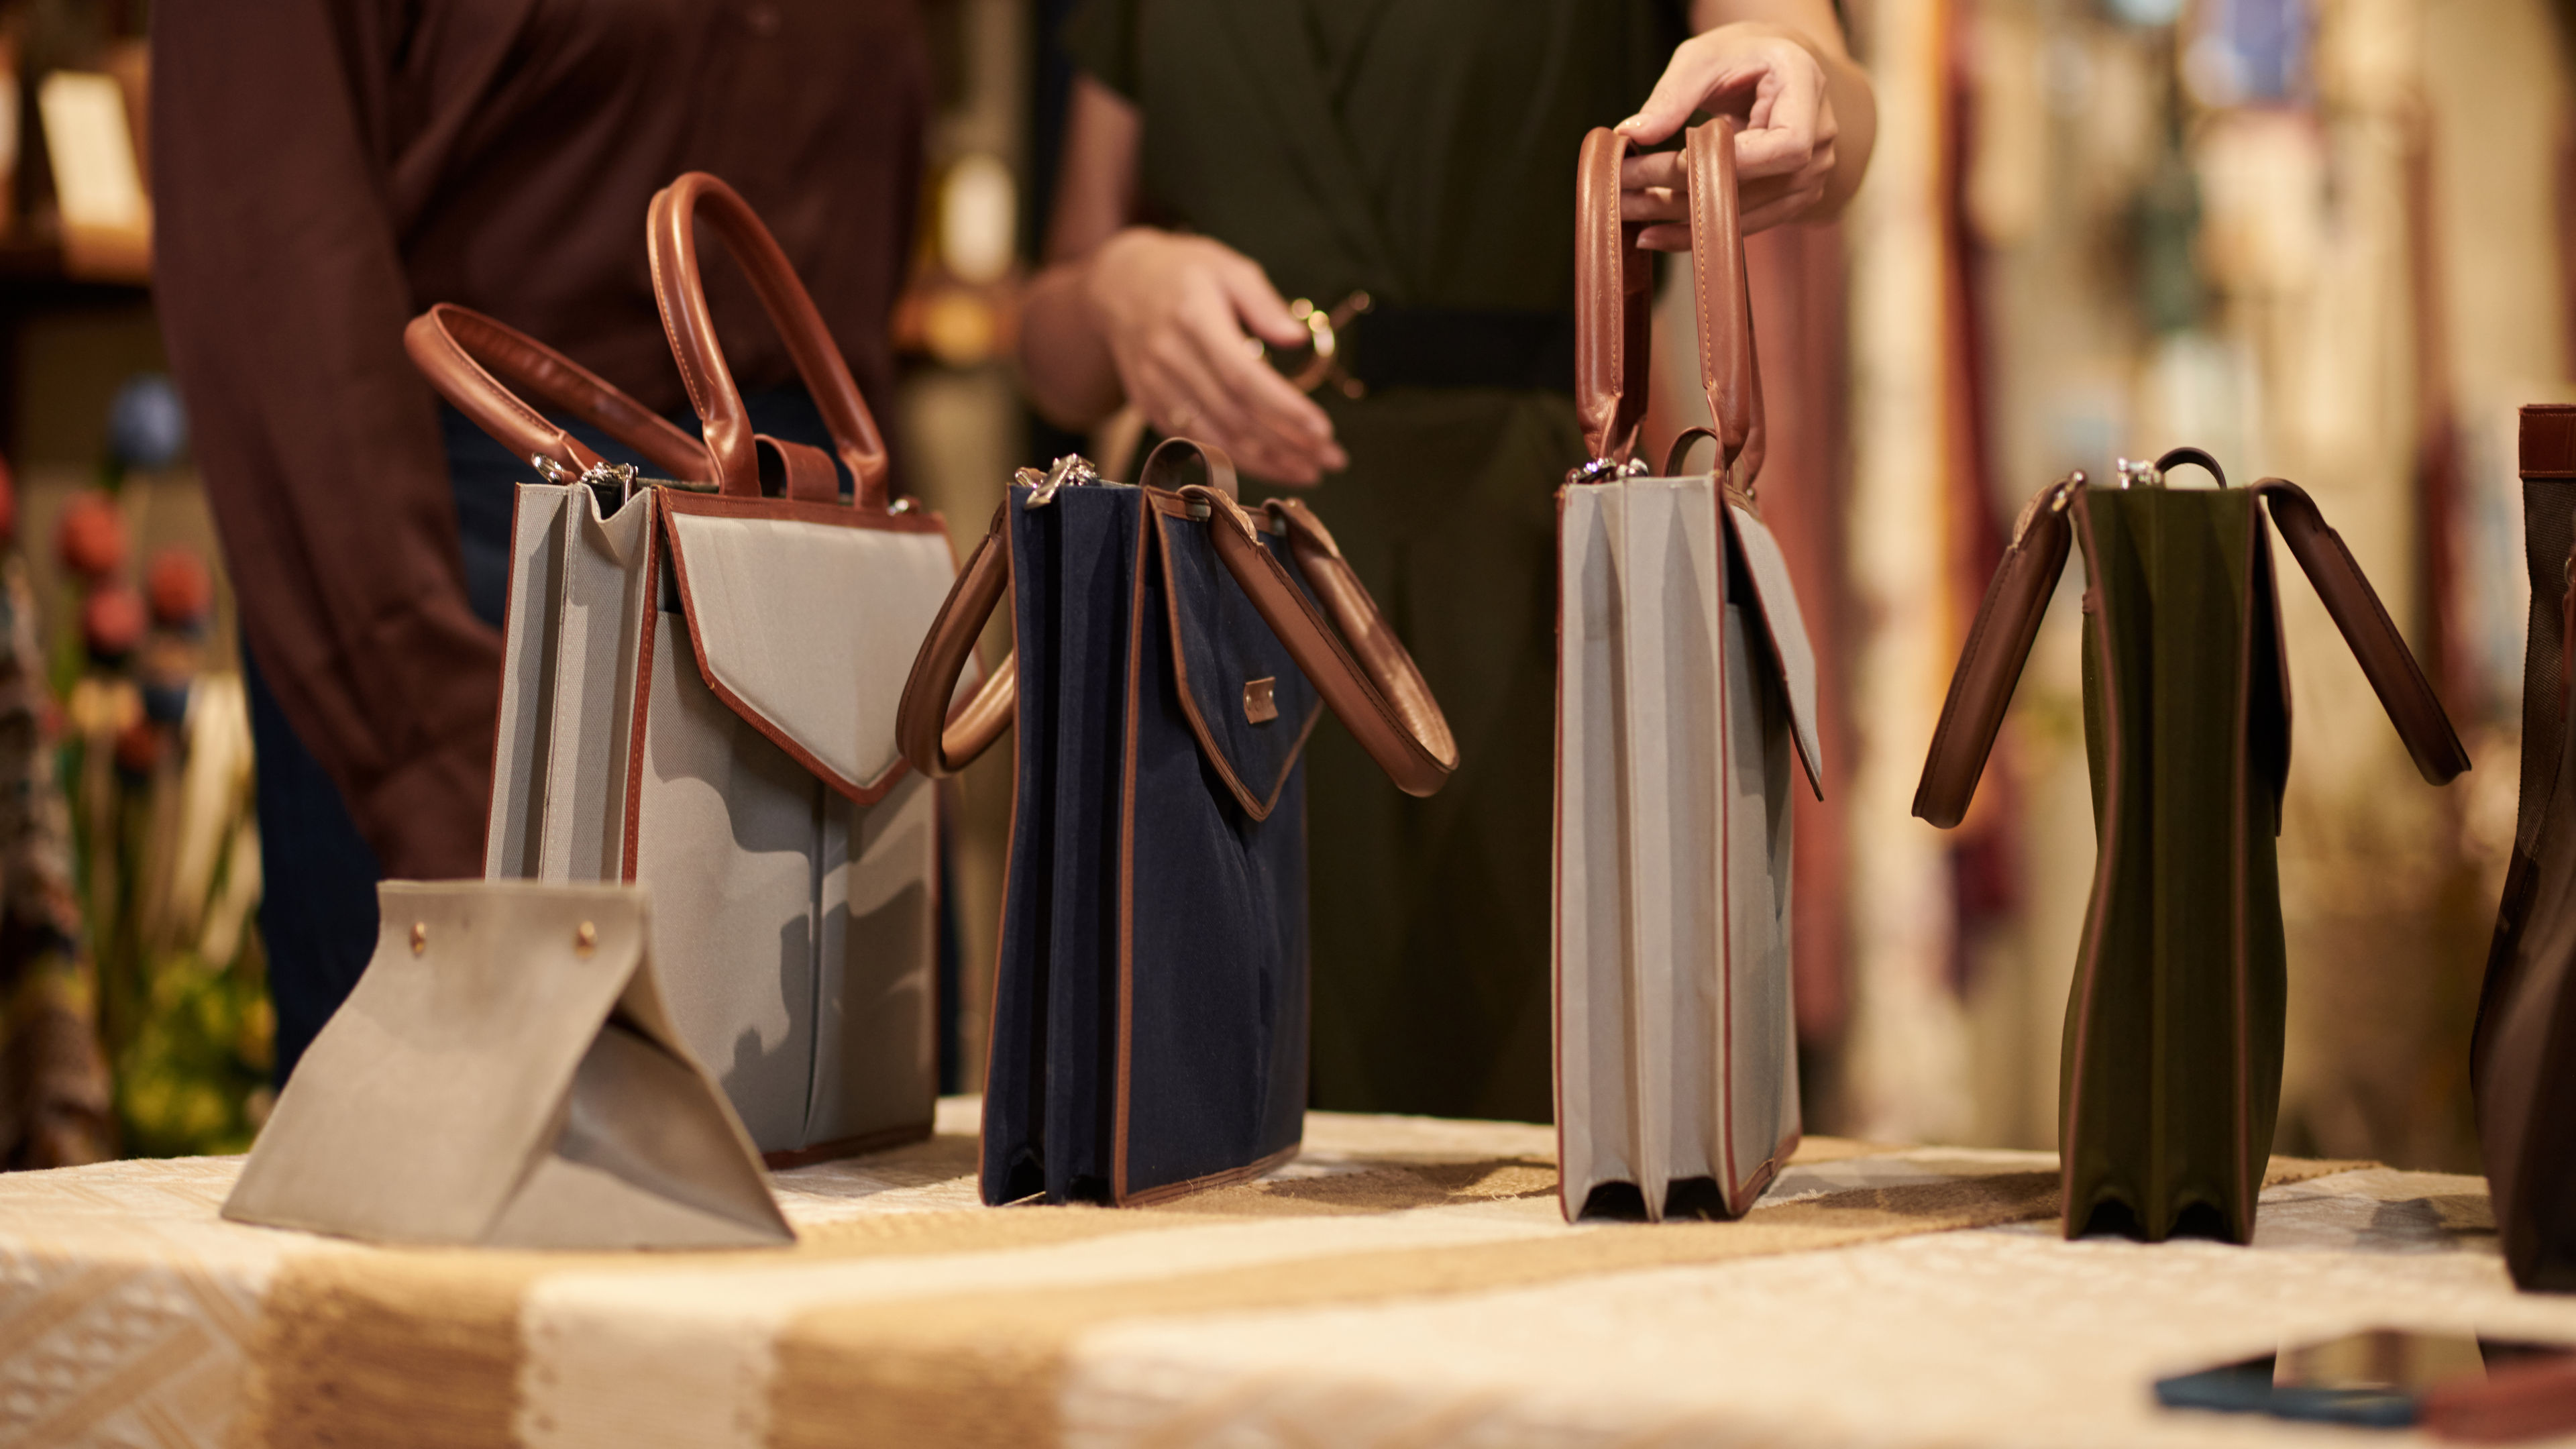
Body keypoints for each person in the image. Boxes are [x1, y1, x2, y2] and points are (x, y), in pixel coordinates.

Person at [1018, 0, 1875, 1121]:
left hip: (1543, 586)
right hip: (1221, 612)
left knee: (1559, 1136)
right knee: (1204, 1138)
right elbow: (1050, 345)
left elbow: (1835, 102)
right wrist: (1117, 288)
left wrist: (1809, 91)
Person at [152, 1, 929, 1081]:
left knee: (857, 1181)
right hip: (485, 572)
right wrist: (421, 721)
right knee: (469, 1184)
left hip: (820, 579)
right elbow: (269, 234)